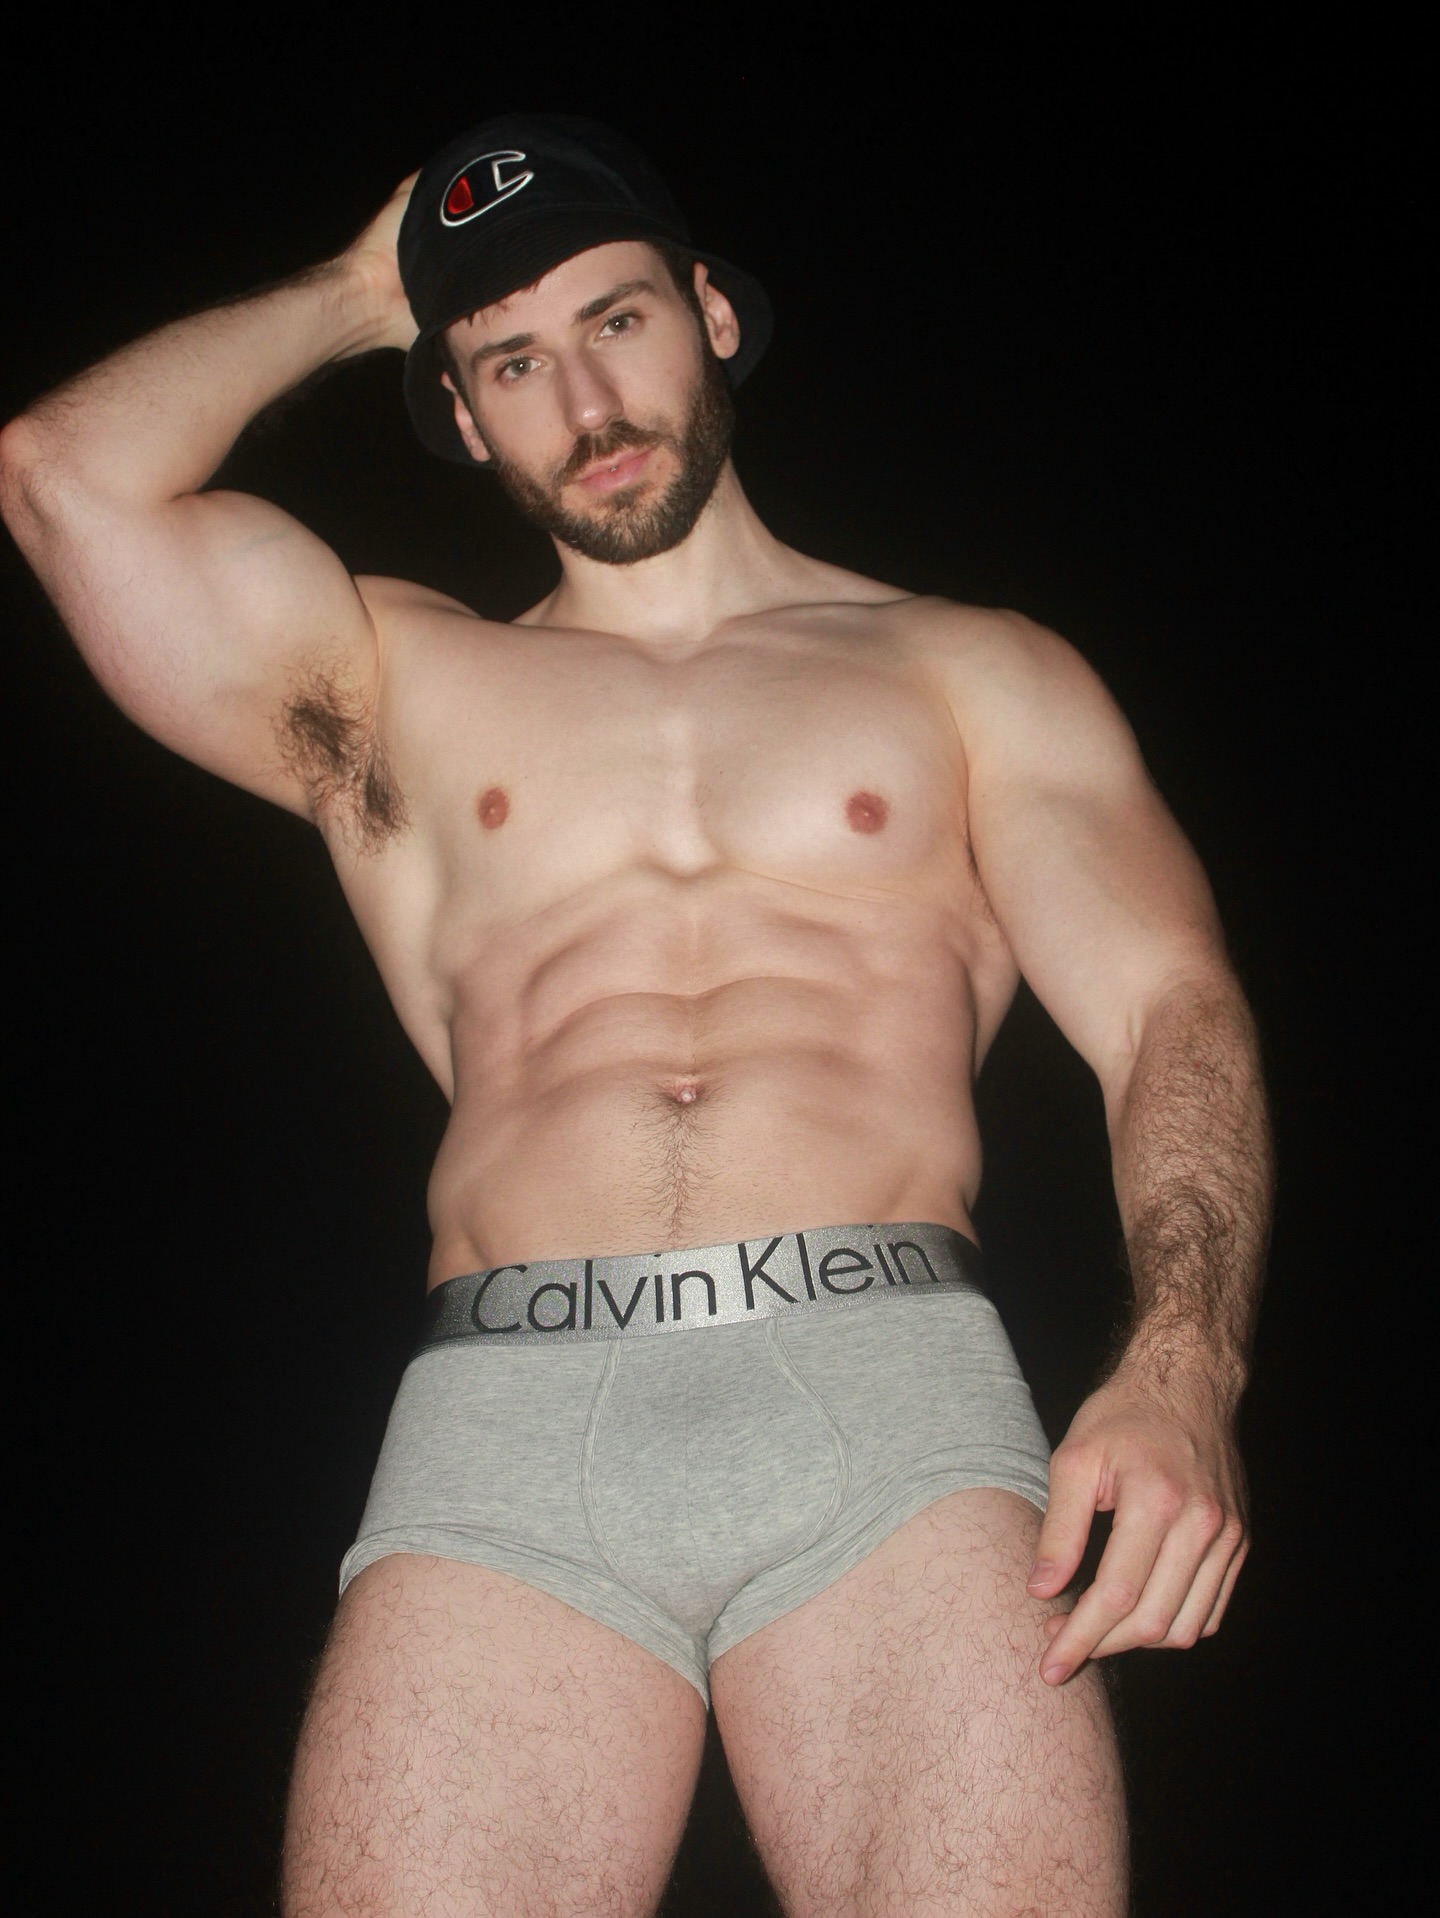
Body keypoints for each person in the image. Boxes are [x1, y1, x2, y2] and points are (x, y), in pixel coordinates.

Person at [0, 113, 1271, 1917]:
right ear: (459, 414)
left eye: (616, 320)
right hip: (508, 1432)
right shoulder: (393, 678)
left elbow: (1168, 1012)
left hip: (890, 1409)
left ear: (711, 316)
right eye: (511, 360)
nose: (585, 400)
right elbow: (62, 476)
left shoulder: (968, 669)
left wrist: (1186, 1364)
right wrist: (360, 290)